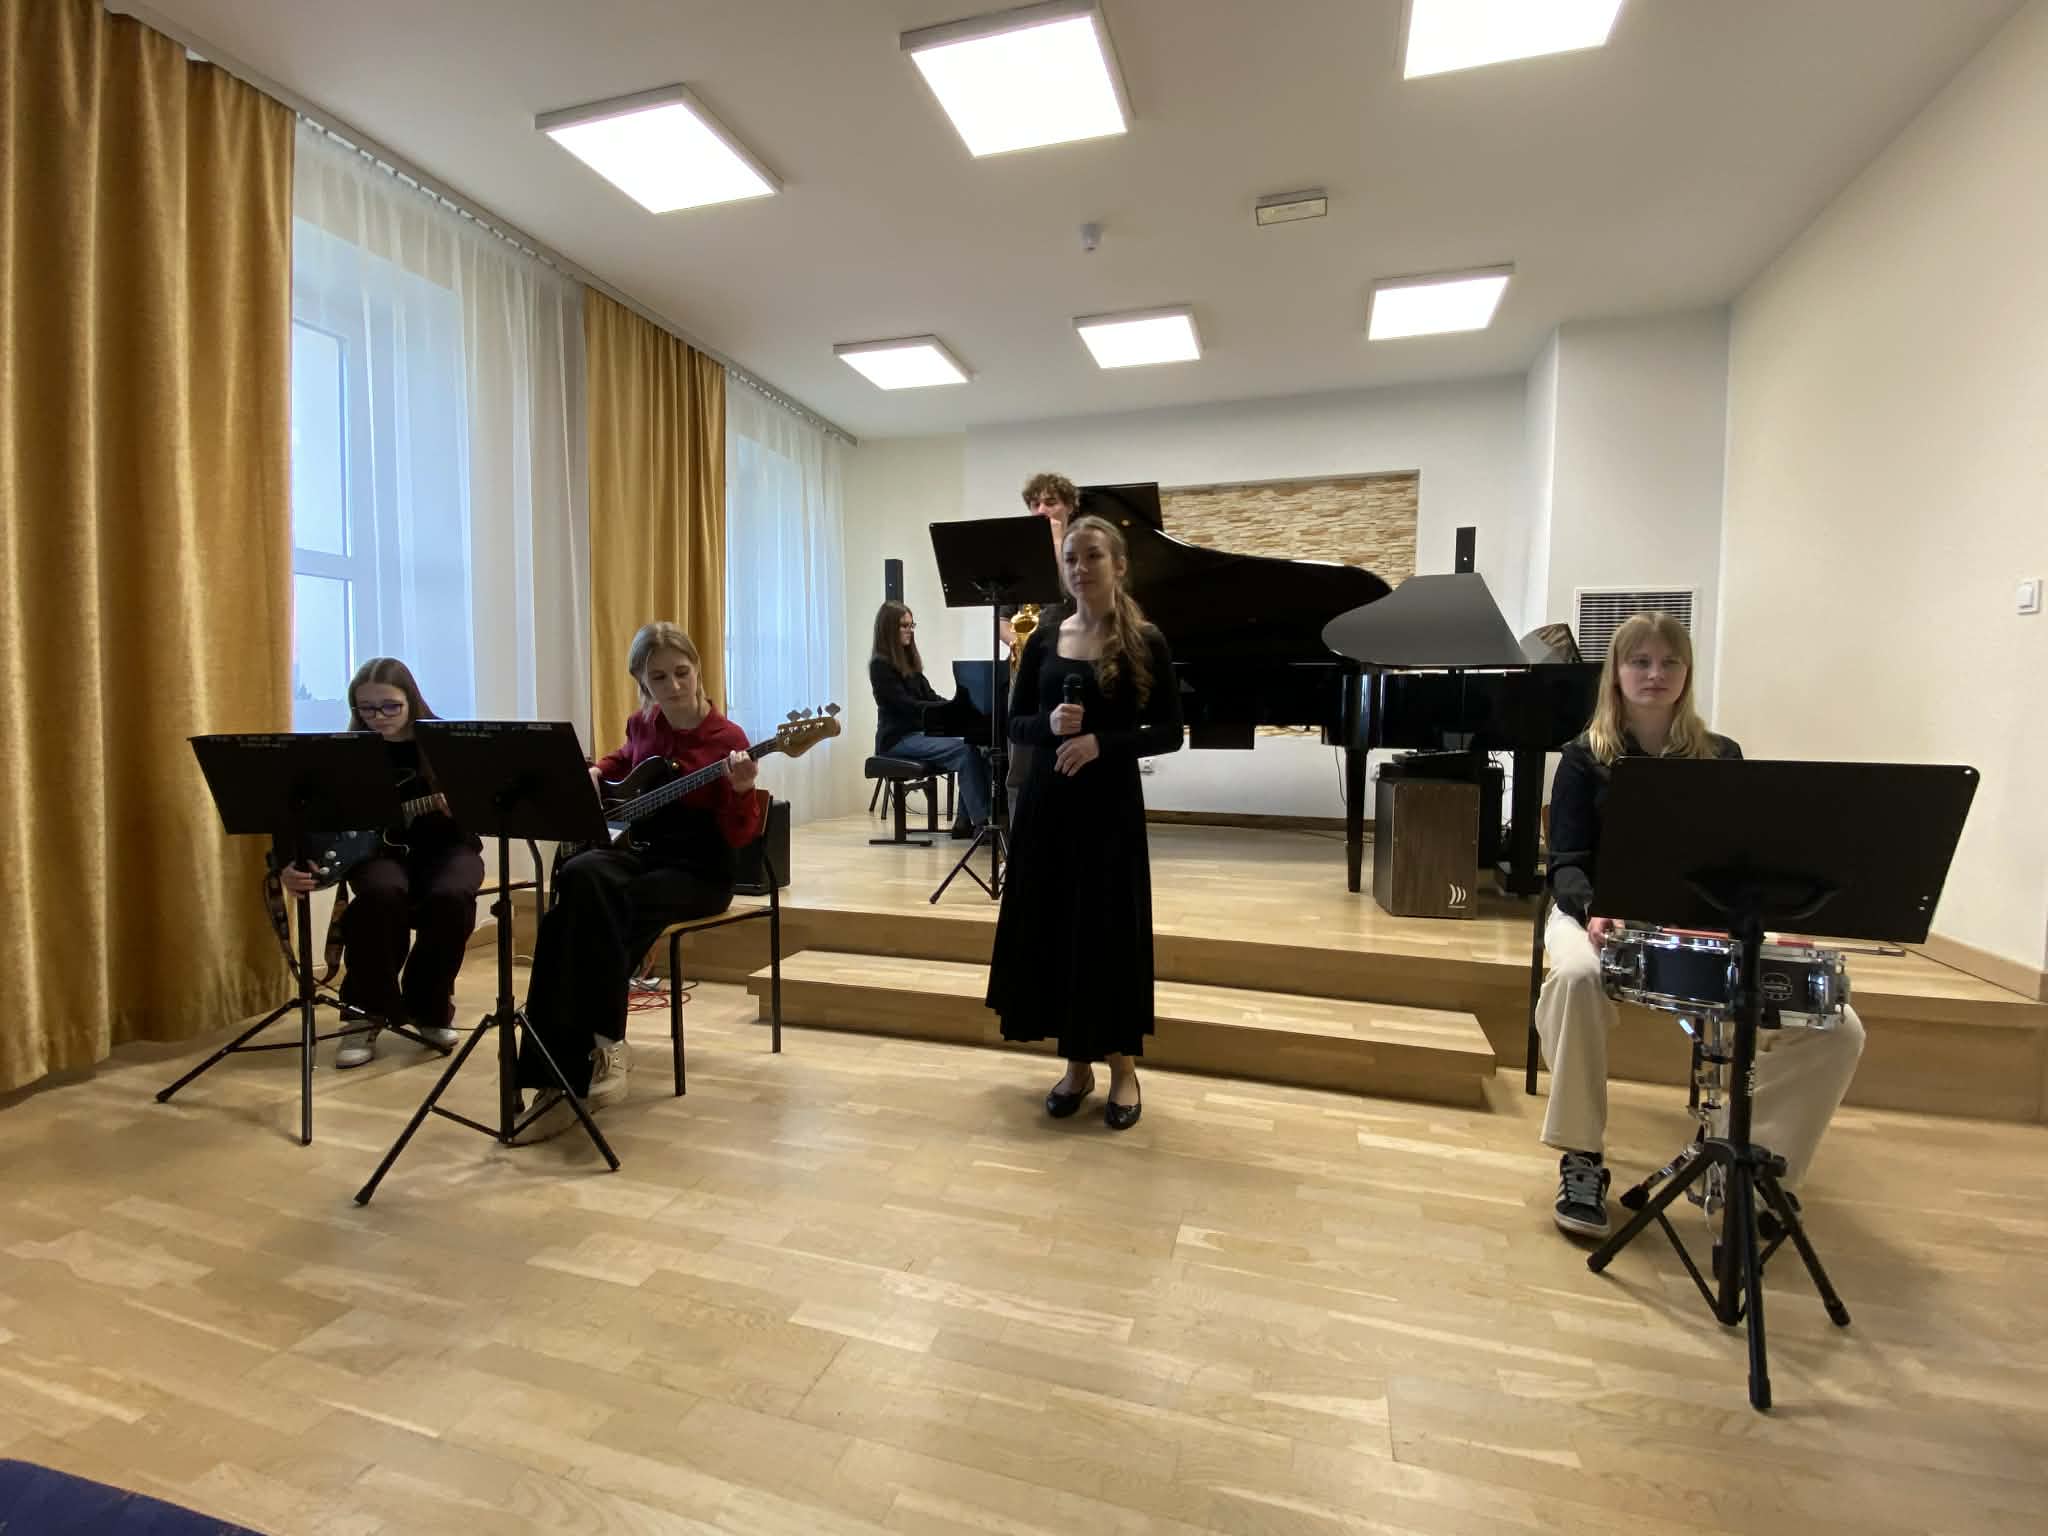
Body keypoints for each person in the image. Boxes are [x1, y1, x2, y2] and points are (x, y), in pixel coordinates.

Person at [1535, 612, 1865, 1237]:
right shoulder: (1582, 757)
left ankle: (1757, 1163)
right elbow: (1567, 864)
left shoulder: (1721, 755)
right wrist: (1598, 908)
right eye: (1639, 662)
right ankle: (1582, 1155)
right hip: (1597, 915)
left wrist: (1781, 922)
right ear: (1616, 673)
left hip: (1705, 924)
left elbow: (1745, 859)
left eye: (1669, 662)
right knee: (1575, 978)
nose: (1654, 674)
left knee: (1838, 1027)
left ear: (1687, 674)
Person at [517, 623, 760, 1128]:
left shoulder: (728, 739)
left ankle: (587, 1052)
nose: (674, 685)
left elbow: (740, 837)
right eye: (659, 677)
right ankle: (575, 1058)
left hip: (700, 870)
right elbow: (625, 758)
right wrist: (598, 771)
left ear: (697, 669)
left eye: (682, 672)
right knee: (578, 877)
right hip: (646, 854)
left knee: (584, 916)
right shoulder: (643, 723)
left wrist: (741, 792)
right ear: (641, 681)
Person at [985, 514, 1183, 1130]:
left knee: (1105, 932)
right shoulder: (1045, 638)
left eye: (1093, 555)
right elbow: (1013, 723)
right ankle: (1076, 1065)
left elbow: (1170, 732)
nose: (1080, 567)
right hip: (1047, 806)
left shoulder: (1146, 640)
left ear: (1118, 565)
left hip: (1108, 808)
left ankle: (1123, 1067)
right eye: (1071, 558)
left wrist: (1103, 742)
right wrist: (1047, 727)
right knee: (1056, 930)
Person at [280, 658, 481, 1068]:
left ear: (412, 700)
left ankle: (429, 1008)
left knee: (452, 896)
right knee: (380, 894)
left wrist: (462, 805)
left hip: (446, 847)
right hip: (378, 852)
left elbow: (485, 804)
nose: (379, 717)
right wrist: (287, 863)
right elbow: (300, 809)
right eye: (367, 708)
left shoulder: (445, 742)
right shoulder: (345, 752)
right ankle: (363, 1014)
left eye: (390, 706)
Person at [869, 600, 992, 835]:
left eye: (911, 625)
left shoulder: (909, 664)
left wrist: (958, 706)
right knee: (964, 750)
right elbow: (906, 706)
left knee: (976, 745)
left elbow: (930, 696)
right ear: (888, 629)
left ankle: (964, 822)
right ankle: (982, 822)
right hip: (897, 740)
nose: (910, 630)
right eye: (904, 626)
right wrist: (948, 709)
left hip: (917, 735)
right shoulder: (880, 666)